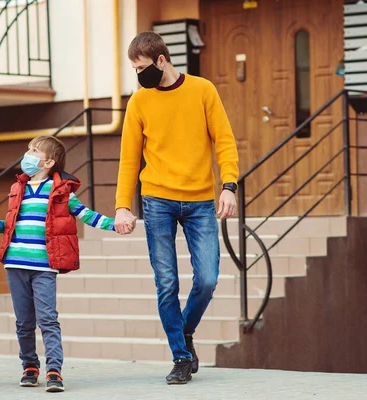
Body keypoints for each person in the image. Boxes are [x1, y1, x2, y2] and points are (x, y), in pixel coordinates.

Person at [114, 32, 239, 385]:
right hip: (157, 200)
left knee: (208, 280)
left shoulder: (203, 90)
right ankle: (181, 356)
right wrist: (124, 205)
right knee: (166, 283)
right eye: (134, 69)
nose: (139, 75)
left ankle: (184, 331)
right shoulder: (139, 102)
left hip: (200, 200)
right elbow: (128, 159)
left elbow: (225, 142)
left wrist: (229, 185)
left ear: (162, 61)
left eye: (141, 68)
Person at [0, 136, 130, 392]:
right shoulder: (18, 189)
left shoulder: (61, 193)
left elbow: (87, 215)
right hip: (15, 263)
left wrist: (115, 224)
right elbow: (14, 226)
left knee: (48, 319)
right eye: (28, 148)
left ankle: (54, 371)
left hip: (44, 267)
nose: (27, 153)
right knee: (23, 322)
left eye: (34, 150)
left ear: (49, 161)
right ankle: (30, 366)